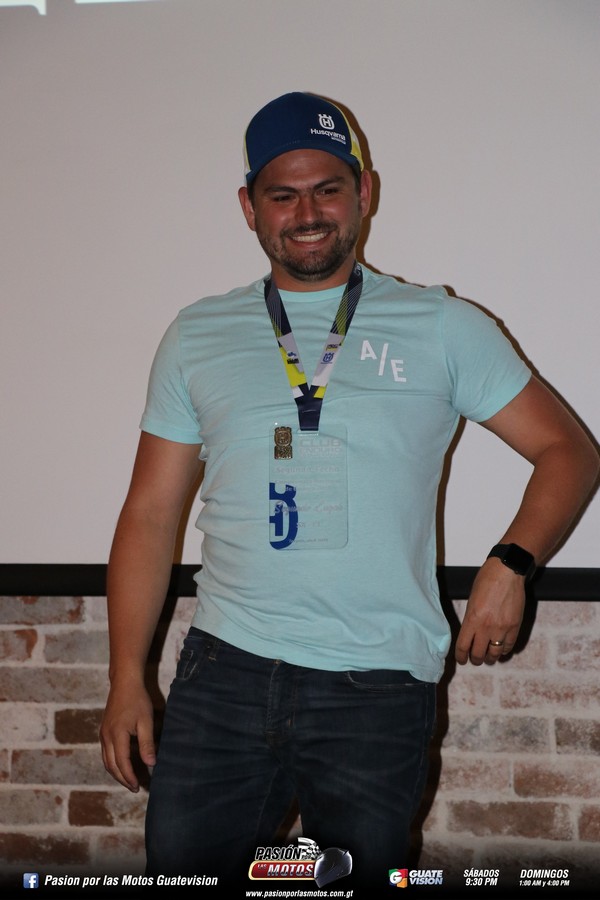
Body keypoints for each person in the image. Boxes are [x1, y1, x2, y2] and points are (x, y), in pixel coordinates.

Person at [100, 91, 599, 891]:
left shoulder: (442, 325)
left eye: (327, 189)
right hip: (224, 674)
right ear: (249, 208)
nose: (307, 213)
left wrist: (512, 562)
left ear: (364, 193)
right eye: (282, 195)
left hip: (376, 684)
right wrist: (127, 676)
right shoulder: (197, 334)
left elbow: (568, 451)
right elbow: (151, 514)